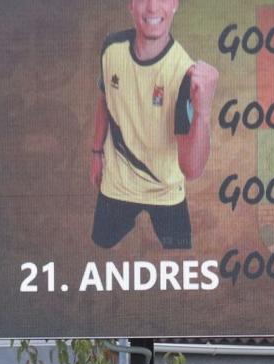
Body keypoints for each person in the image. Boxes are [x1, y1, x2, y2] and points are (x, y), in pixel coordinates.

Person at [90, 0, 218, 251]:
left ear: (174, 5)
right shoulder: (111, 48)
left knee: (179, 264)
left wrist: (203, 113)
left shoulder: (183, 74)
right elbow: (105, 100)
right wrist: (96, 152)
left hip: (166, 191)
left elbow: (191, 170)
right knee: (99, 249)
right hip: (118, 185)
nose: (152, 7)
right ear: (130, 4)